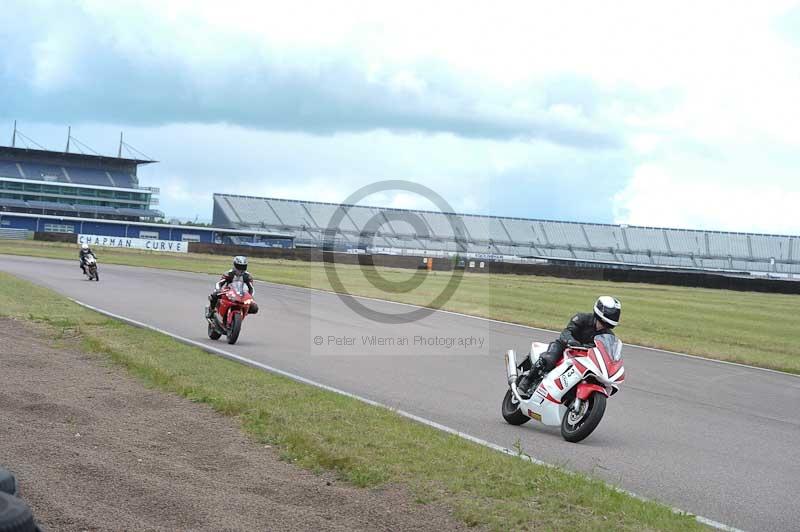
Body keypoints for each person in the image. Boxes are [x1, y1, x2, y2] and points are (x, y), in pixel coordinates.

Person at [517, 296, 621, 396]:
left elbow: (606, 352)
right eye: (604, 322)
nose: (604, 326)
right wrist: (571, 341)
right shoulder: (582, 318)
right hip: (565, 346)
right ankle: (527, 380)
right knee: (549, 360)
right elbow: (566, 332)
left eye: (608, 324)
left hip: (586, 357)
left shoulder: (609, 336)